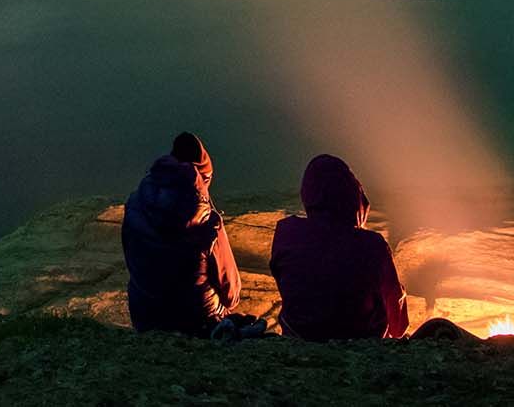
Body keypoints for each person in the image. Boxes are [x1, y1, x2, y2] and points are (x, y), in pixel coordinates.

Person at [269, 153, 408, 341]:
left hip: (300, 341)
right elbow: (398, 326)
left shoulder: (286, 234)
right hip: (360, 348)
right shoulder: (373, 246)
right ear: (353, 194)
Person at [121, 131, 244, 335]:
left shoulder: (134, 206)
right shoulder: (209, 223)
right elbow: (231, 294)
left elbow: (131, 262)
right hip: (197, 322)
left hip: (145, 317)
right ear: (202, 178)